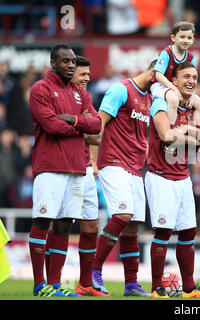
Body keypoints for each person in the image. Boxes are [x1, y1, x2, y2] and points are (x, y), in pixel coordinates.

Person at [28, 44, 102, 297]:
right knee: (42, 221)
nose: (71, 65)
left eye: (72, 61)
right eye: (65, 61)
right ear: (53, 63)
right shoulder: (40, 90)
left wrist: (72, 120)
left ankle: (56, 285)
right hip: (49, 166)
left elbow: (97, 124)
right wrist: (81, 124)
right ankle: (40, 285)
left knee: (63, 226)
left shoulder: (80, 92)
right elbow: (51, 126)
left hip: (76, 169)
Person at [145, 62, 200, 299]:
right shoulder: (160, 104)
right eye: (186, 76)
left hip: (183, 177)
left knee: (188, 232)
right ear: (173, 81)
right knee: (163, 231)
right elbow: (166, 136)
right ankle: (157, 288)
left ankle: (189, 289)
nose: (192, 80)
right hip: (161, 176)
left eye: (195, 76)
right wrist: (194, 135)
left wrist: (185, 131)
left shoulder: (194, 108)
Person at [90, 59, 156, 297]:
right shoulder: (120, 89)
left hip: (135, 168)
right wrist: (93, 161)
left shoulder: (149, 99)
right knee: (123, 214)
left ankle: (131, 285)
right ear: (153, 73)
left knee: (133, 227)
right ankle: (93, 272)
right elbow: (99, 123)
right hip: (113, 163)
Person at [71, 56, 108, 296]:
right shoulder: (59, 94)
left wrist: (77, 128)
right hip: (64, 167)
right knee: (58, 223)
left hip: (84, 167)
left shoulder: (85, 97)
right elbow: (56, 127)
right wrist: (82, 126)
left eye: (88, 75)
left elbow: (96, 132)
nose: (87, 79)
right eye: (83, 74)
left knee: (91, 224)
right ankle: (47, 283)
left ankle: (85, 284)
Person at [151, 21, 200, 156]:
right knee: (173, 99)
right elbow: (158, 74)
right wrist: (172, 88)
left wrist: (192, 95)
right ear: (173, 38)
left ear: (193, 40)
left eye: (189, 38)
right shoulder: (167, 52)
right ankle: (170, 139)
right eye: (182, 37)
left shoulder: (191, 57)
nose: (185, 40)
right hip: (161, 85)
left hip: (178, 87)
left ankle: (197, 139)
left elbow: (193, 77)